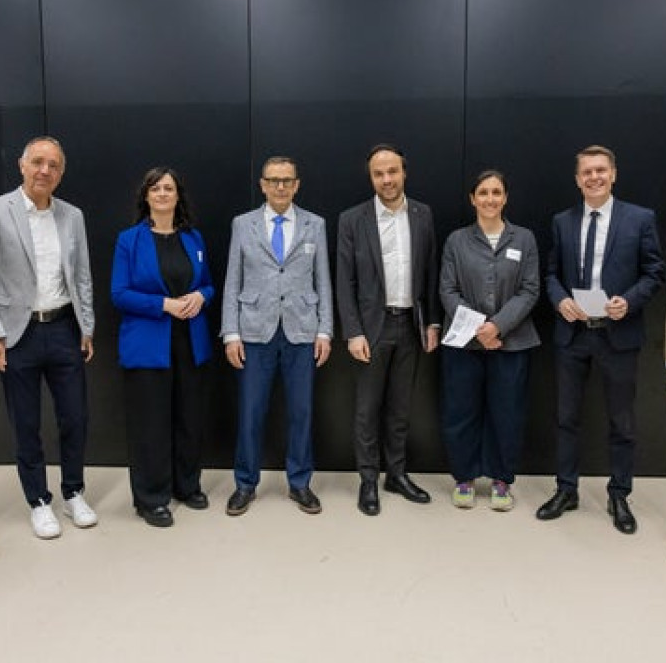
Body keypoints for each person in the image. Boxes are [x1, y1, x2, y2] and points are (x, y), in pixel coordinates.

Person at [0, 136, 97, 539]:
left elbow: (81, 276)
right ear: (22, 165)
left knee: (74, 417)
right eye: (38, 162)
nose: (45, 170)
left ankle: (73, 491)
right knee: (26, 423)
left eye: (54, 165)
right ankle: (39, 501)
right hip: (17, 335)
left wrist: (87, 326)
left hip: (63, 328)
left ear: (62, 172)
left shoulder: (72, 215)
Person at [538, 145, 665, 534]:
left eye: (601, 171)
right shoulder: (562, 221)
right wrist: (560, 302)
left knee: (622, 421)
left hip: (618, 334)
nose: (594, 177)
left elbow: (654, 272)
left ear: (613, 174)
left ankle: (619, 494)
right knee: (566, 417)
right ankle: (567, 489)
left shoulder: (640, 219)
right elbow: (551, 274)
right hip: (573, 334)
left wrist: (628, 301)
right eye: (586, 172)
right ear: (577, 179)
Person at [220, 156, 333, 516]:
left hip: (302, 329)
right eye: (274, 180)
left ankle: (300, 483)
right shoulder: (243, 224)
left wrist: (326, 330)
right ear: (263, 185)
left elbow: (323, 281)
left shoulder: (315, 224)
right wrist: (231, 333)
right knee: (251, 412)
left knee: (301, 411)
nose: (280, 186)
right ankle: (245, 484)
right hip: (254, 330)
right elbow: (232, 280)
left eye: (287, 180)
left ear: (297, 184)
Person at [335, 144, 440, 516]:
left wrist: (432, 321)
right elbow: (344, 281)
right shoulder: (352, 219)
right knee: (367, 409)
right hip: (371, 328)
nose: (387, 179)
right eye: (379, 174)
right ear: (371, 177)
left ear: (404, 172)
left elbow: (429, 272)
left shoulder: (423, 214)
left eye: (392, 171)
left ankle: (396, 474)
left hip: (410, 324)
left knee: (400, 408)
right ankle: (368, 480)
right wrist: (353, 331)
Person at [111, 168, 214, 528]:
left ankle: (187, 486)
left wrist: (201, 295)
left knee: (189, 418)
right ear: (146, 196)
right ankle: (151, 498)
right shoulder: (130, 240)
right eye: (155, 188)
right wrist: (164, 305)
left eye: (169, 188)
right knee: (150, 424)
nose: (163, 193)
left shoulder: (193, 238)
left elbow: (209, 285)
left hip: (190, 342)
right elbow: (119, 294)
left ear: (177, 196)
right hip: (148, 345)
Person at [438, 171, 540, 510]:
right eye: (483, 192)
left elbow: (530, 290)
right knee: (462, 412)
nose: (490, 199)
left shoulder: (524, 239)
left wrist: (498, 327)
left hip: (513, 344)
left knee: (506, 412)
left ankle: (501, 480)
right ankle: (464, 478)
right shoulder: (456, 241)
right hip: (464, 345)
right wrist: (480, 328)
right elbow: (447, 290)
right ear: (472, 198)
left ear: (506, 197)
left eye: (497, 192)